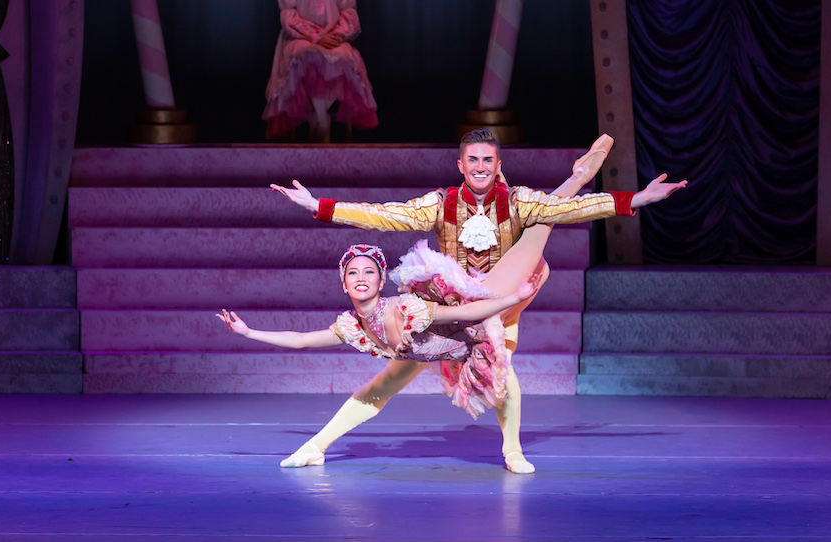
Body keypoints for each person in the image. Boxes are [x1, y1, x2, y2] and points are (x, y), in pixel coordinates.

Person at [271, 130, 688, 473]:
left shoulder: (518, 199)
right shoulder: (441, 204)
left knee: (545, 220)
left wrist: (637, 199)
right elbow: (386, 214)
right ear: (461, 166)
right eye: (473, 160)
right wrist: (321, 206)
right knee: (389, 381)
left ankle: (512, 451)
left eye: (488, 161)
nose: (481, 168)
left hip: (501, 295)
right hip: (450, 304)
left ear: (499, 166)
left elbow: (576, 211)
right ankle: (317, 445)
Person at [217, 241, 545, 468]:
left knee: (502, 374)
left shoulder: (406, 309)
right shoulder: (354, 326)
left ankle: (512, 450)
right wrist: (249, 332)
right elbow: (302, 340)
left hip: (471, 336)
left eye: (369, 272)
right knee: (378, 389)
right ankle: (314, 448)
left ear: (381, 279)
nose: (361, 278)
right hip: (418, 351)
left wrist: (513, 297)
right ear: (344, 284)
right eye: (353, 273)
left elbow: (470, 312)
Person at [263, 0, 378, 142]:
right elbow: (289, 15)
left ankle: (319, 118)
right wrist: (316, 36)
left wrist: (338, 35)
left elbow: (348, 12)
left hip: (334, 38)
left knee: (341, 57)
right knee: (306, 54)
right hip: (301, 37)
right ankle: (322, 119)